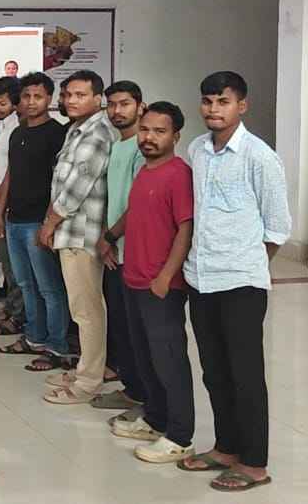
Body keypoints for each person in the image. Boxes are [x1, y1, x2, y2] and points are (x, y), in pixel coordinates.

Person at [177, 72, 290, 493]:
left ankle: (255, 463)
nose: (213, 109)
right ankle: (226, 448)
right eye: (207, 101)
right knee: (214, 370)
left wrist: (248, 266)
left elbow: (277, 227)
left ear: (242, 106)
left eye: (223, 102)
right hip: (201, 277)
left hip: (241, 282)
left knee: (245, 374)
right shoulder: (197, 149)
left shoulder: (259, 157)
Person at [100, 102, 198, 464]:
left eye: (160, 131)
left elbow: (186, 228)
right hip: (133, 277)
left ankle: (180, 436)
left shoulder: (179, 174)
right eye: (145, 130)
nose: (149, 137)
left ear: (176, 136)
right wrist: (110, 236)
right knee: (145, 357)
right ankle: (155, 420)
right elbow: (135, 212)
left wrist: (166, 276)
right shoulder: (145, 170)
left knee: (169, 360)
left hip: (161, 285)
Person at [40, 70, 118, 405]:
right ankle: (86, 368)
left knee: (87, 311)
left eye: (80, 95)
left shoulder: (97, 134)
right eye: (68, 94)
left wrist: (48, 224)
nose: (71, 100)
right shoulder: (77, 129)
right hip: (71, 232)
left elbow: (75, 191)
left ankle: (88, 383)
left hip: (81, 233)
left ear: (98, 99)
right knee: (82, 309)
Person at [0, 74, 71, 373]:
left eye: (38, 96)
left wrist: (48, 223)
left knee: (49, 288)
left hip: (39, 222)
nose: (31, 102)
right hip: (14, 220)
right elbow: (10, 176)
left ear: (49, 98)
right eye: (26, 96)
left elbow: (61, 184)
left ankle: (57, 346)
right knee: (25, 284)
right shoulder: (18, 133)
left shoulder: (57, 134)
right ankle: (34, 338)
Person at [91, 81, 151, 414]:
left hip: (135, 252)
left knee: (138, 330)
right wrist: (107, 236)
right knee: (121, 325)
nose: (117, 111)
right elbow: (112, 199)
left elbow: (138, 203)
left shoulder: (143, 149)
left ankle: (146, 397)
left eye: (125, 103)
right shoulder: (117, 146)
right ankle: (131, 389)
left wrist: (110, 237)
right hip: (114, 251)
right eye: (111, 105)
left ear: (140, 106)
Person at [0, 77, 24, 331]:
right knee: (9, 265)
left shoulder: (18, 128)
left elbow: (13, 171)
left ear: (15, 103)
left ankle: (18, 317)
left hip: (11, 203)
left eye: (2, 103)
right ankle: (11, 308)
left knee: (17, 267)